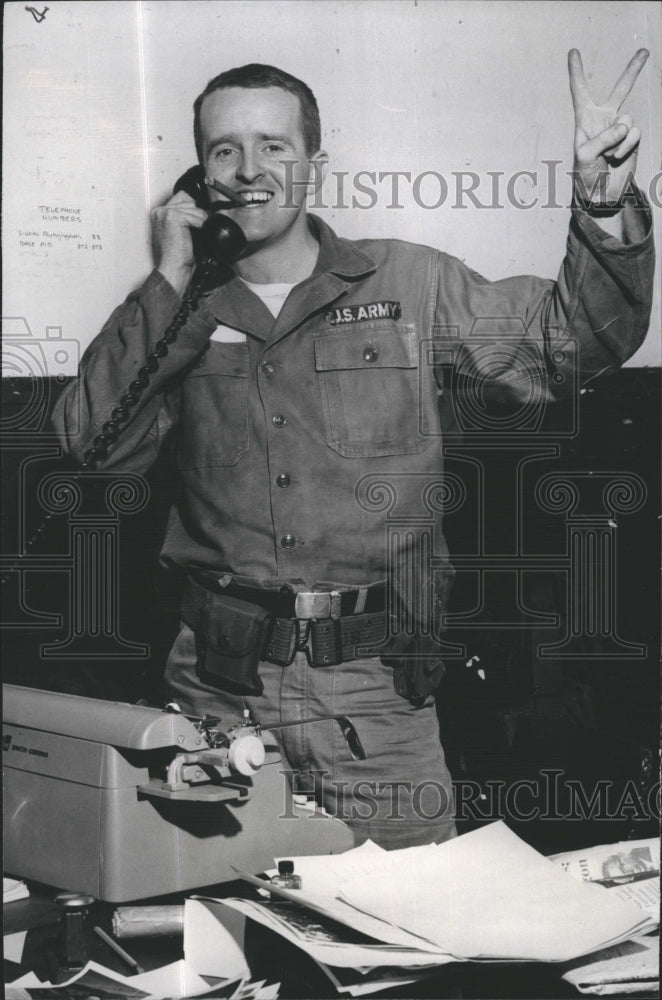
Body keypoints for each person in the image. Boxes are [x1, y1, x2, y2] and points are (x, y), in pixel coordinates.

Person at [52, 53, 654, 849]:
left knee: (407, 942)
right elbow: (92, 448)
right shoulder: (179, 314)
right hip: (213, 700)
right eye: (224, 149)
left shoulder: (409, 281)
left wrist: (601, 205)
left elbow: (567, 349)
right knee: (222, 939)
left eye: (275, 146)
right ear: (200, 177)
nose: (248, 168)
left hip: (376, 703)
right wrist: (168, 277)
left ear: (314, 167)